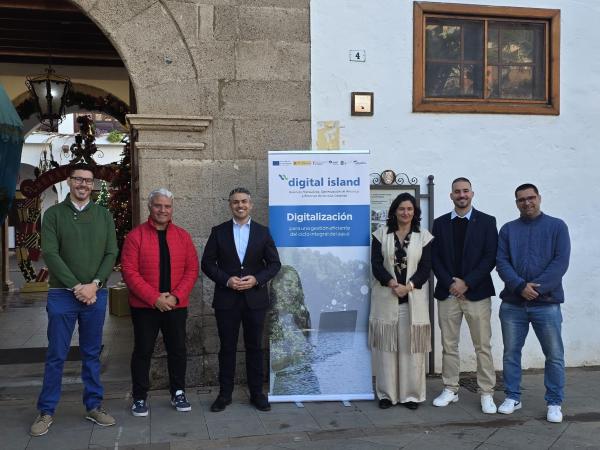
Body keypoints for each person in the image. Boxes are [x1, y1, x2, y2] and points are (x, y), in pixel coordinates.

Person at [30, 164, 118, 437]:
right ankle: (46, 411)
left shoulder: (103, 215)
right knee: (56, 354)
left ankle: (94, 406)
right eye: (78, 179)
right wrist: (77, 286)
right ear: (69, 182)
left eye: (88, 181)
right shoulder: (54, 214)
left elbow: (111, 252)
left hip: (95, 294)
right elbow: (51, 253)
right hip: (62, 294)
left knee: (91, 353)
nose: (83, 184)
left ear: (93, 185)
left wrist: (95, 285)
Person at [201, 187, 281, 412]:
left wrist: (257, 279)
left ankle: (257, 394)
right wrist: (227, 280)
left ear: (250, 205)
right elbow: (207, 263)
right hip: (227, 300)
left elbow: (274, 264)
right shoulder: (219, 232)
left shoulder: (263, 232)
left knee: (255, 347)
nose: (240, 205)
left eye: (244, 201)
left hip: (255, 300)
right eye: (235, 202)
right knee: (227, 348)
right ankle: (224, 395)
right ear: (230, 205)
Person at [121, 188, 199, 417]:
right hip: (145, 307)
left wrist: (175, 297)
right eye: (158, 205)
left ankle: (178, 393)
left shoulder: (183, 236)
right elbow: (129, 272)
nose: (163, 210)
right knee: (143, 351)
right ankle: (139, 397)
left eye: (167, 206)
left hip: (176, 305)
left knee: (178, 350)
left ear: (172, 208)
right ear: (150, 207)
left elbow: (192, 269)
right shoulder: (135, 236)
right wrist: (154, 298)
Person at [496, 183, 570, 423]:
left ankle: (554, 402)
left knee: (554, 355)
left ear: (539, 198)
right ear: (516, 203)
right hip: (513, 305)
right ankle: (512, 396)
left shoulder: (557, 227)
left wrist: (535, 290)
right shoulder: (508, 230)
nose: (526, 202)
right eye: (521, 199)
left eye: (531, 198)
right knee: (511, 353)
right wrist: (520, 287)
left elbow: (560, 263)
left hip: (547, 304)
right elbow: (502, 262)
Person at [431, 178, 498, 414]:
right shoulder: (439, 223)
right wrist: (451, 283)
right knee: (448, 345)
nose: (462, 195)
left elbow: (490, 257)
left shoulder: (487, 222)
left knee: (482, 346)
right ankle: (450, 388)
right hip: (448, 292)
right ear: (451, 195)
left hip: (477, 293)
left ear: (472, 193)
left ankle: (487, 392)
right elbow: (434, 257)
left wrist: (466, 282)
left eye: (465, 191)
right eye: (457, 191)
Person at [369, 192, 433, 410]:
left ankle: (411, 395)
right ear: (394, 211)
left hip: (412, 301)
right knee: (386, 351)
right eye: (401, 209)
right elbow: (376, 265)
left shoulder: (424, 236)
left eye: (410, 209)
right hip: (387, 299)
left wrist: (409, 286)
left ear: (415, 212)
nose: (406, 213)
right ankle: (386, 395)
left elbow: (426, 267)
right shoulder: (380, 235)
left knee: (410, 351)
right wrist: (392, 284)